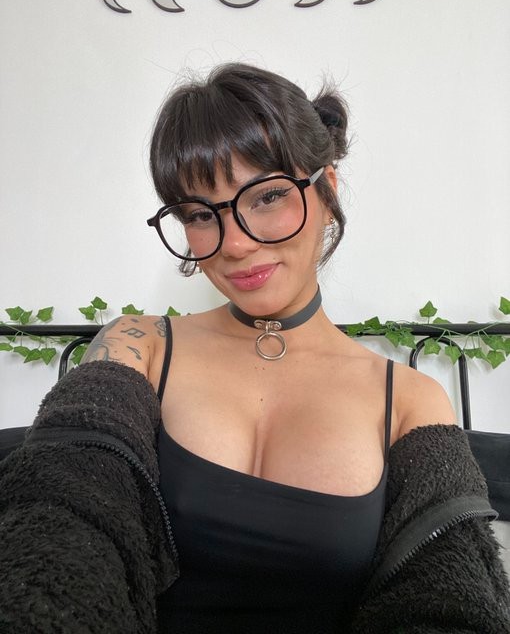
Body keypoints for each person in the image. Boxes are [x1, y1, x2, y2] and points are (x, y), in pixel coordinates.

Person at [0, 63, 508, 633]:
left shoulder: (409, 399)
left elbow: (448, 594)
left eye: (267, 196)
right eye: (199, 214)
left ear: (327, 189)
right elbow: (63, 515)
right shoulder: (138, 347)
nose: (236, 244)